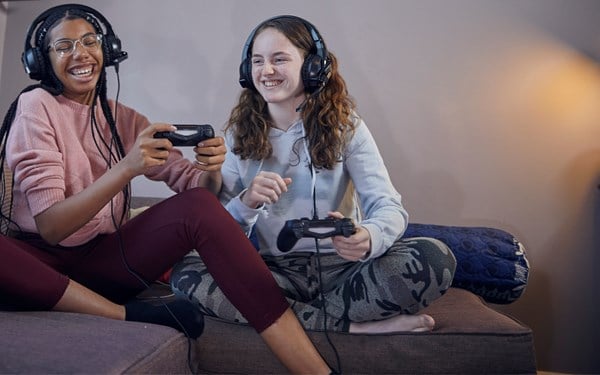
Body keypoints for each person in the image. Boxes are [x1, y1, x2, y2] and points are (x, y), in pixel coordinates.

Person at [0, 5, 331, 374]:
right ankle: (121, 314)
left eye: (89, 41)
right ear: (41, 61)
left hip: (105, 265)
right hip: (40, 265)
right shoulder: (35, 106)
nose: (80, 53)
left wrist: (210, 169)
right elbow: (51, 227)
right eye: (63, 46)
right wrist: (127, 168)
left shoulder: (122, 117)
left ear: (105, 49)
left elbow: (200, 196)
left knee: (197, 208)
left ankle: (315, 371)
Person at [171, 15, 457, 334]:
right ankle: (350, 327)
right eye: (257, 61)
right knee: (186, 273)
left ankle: (291, 321)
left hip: (345, 271)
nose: (266, 71)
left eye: (279, 60)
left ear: (313, 67)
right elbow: (221, 236)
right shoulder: (237, 137)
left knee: (437, 257)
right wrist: (246, 202)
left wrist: (369, 238)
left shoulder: (348, 128)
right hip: (273, 274)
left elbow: (389, 207)